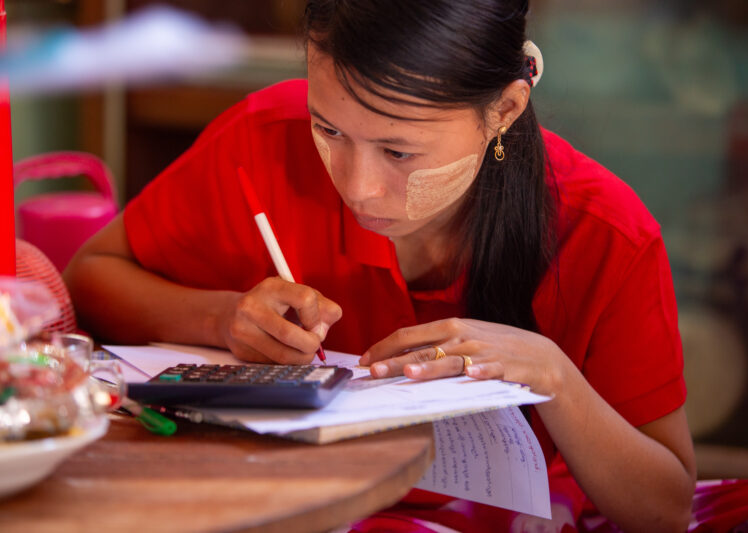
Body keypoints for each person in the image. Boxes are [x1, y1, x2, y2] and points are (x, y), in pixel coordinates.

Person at [64, 0, 696, 530]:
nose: (357, 187)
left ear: (504, 110)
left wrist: (555, 376)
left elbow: (665, 510)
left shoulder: (604, 232)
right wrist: (221, 318)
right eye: (329, 130)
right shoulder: (260, 142)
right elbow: (90, 279)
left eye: (398, 151)